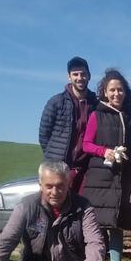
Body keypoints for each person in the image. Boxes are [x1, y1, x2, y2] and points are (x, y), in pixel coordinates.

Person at [82, 69, 131, 261]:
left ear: (125, 92)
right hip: (100, 176)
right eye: (112, 90)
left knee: (116, 224)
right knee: (96, 226)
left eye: (120, 90)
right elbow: (86, 144)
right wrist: (104, 151)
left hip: (122, 177)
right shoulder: (96, 115)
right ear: (105, 92)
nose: (117, 94)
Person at [38, 56, 98, 194]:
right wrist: (55, 157)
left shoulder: (96, 105)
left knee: (81, 209)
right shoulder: (56, 102)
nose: (79, 78)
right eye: (75, 74)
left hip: (85, 169)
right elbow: (44, 135)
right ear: (69, 77)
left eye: (83, 74)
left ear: (89, 76)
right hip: (59, 167)